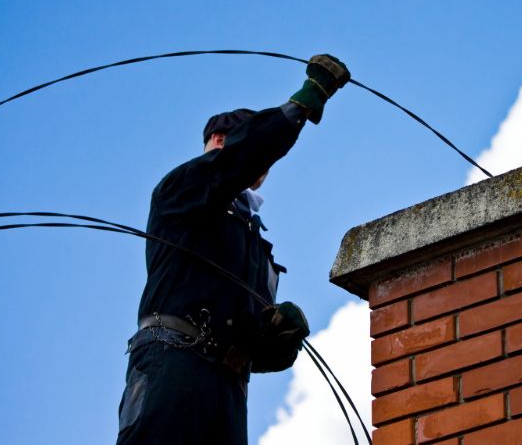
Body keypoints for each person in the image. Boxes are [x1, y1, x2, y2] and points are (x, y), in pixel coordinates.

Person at [116, 55, 350, 445]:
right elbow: (237, 162)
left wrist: (281, 337)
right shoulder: (181, 190)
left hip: (227, 390)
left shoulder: (255, 246)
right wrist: (303, 103)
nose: (264, 168)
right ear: (219, 142)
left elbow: (259, 352)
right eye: (253, 151)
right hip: (171, 367)